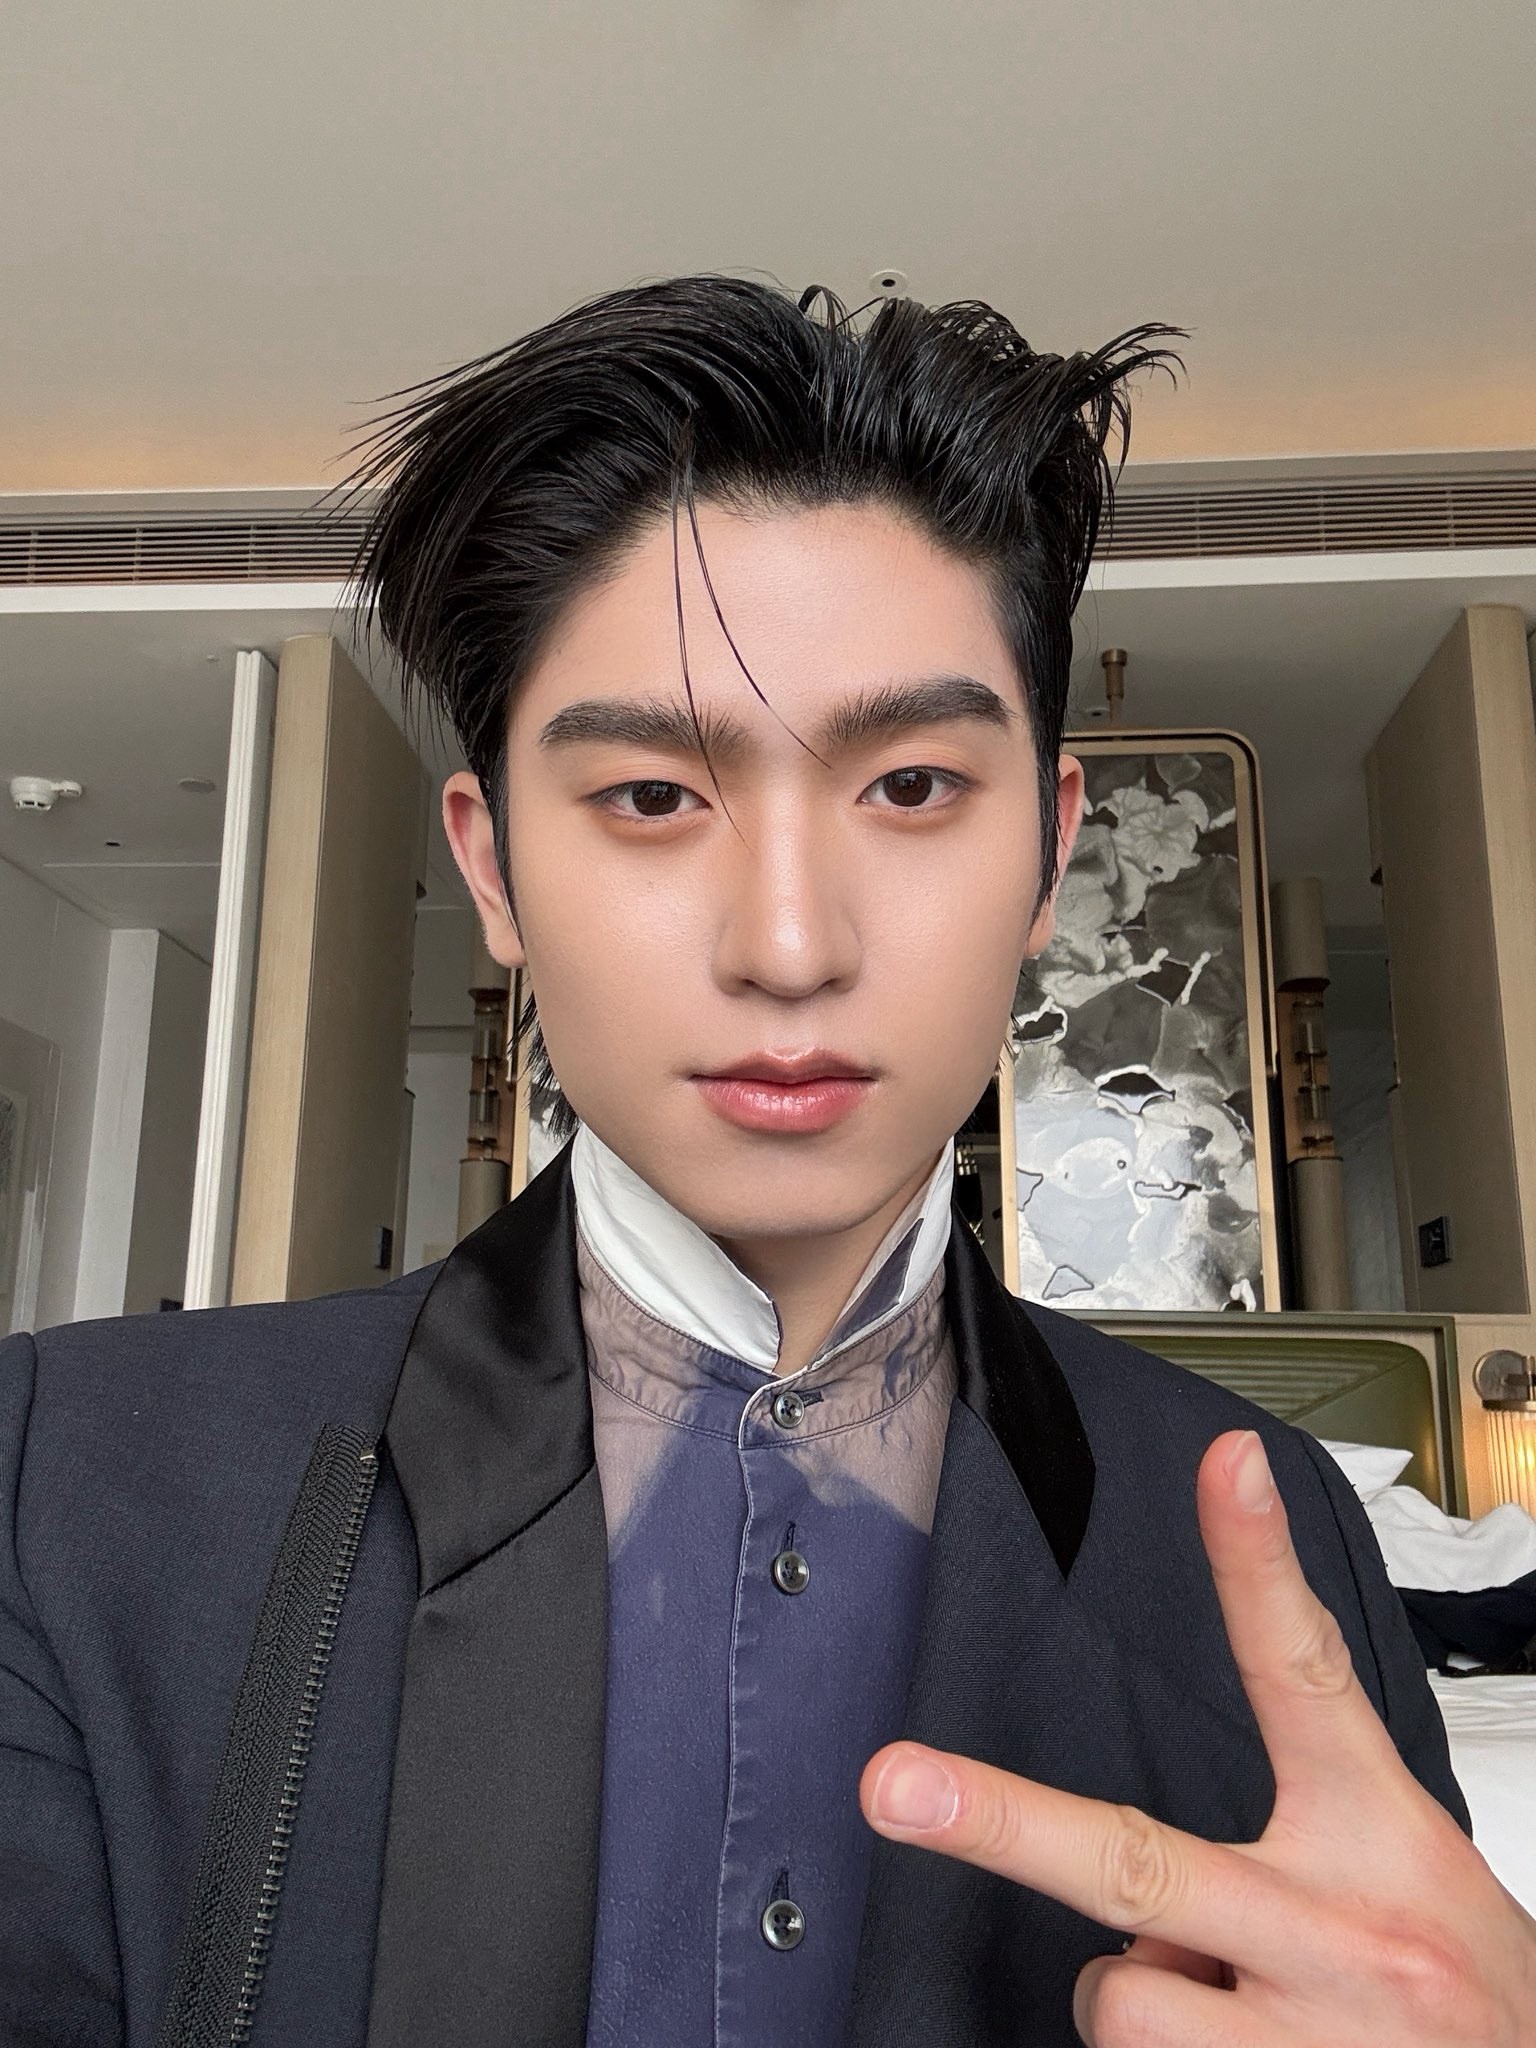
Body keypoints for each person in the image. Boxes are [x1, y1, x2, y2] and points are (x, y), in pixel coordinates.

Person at [1, 277, 1531, 2048]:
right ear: (494, 872)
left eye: (912, 788)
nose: (790, 946)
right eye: (654, 796)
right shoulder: (71, 1484)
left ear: (1051, 855)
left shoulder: (1275, 1531)